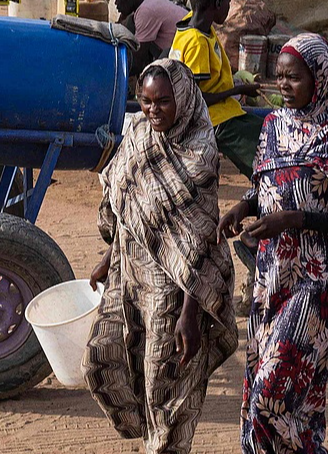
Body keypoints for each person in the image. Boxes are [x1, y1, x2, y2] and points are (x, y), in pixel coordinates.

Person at [221, 33, 328, 454]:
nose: (284, 86)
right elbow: (267, 184)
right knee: (295, 403)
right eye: (279, 77)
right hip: (271, 276)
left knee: (269, 398)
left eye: (294, 77)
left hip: (318, 283)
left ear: (320, 79)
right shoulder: (273, 127)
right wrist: (243, 206)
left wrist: (297, 220)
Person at [86, 59, 237, 453]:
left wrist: (190, 314)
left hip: (175, 291)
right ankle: (152, 439)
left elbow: (201, 239)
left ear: (183, 100)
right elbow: (124, 202)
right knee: (103, 359)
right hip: (131, 275)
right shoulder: (137, 133)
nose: (154, 111)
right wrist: (108, 258)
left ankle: (165, 447)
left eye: (164, 102)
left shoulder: (200, 152)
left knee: (166, 386)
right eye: (146, 101)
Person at [169, 0, 262, 178]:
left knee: (267, 128)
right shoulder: (197, 43)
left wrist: (237, 81)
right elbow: (196, 99)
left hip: (226, 112)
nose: (229, 10)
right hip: (214, 120)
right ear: (218, 4)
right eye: (228, 4)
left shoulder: (192, 25)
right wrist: (238, 89)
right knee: (263, 151)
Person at [112, 0, 186, 74]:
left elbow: (136, 63)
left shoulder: (146, 11)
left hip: (183, 64)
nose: (116, 3)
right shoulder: (151, 2)